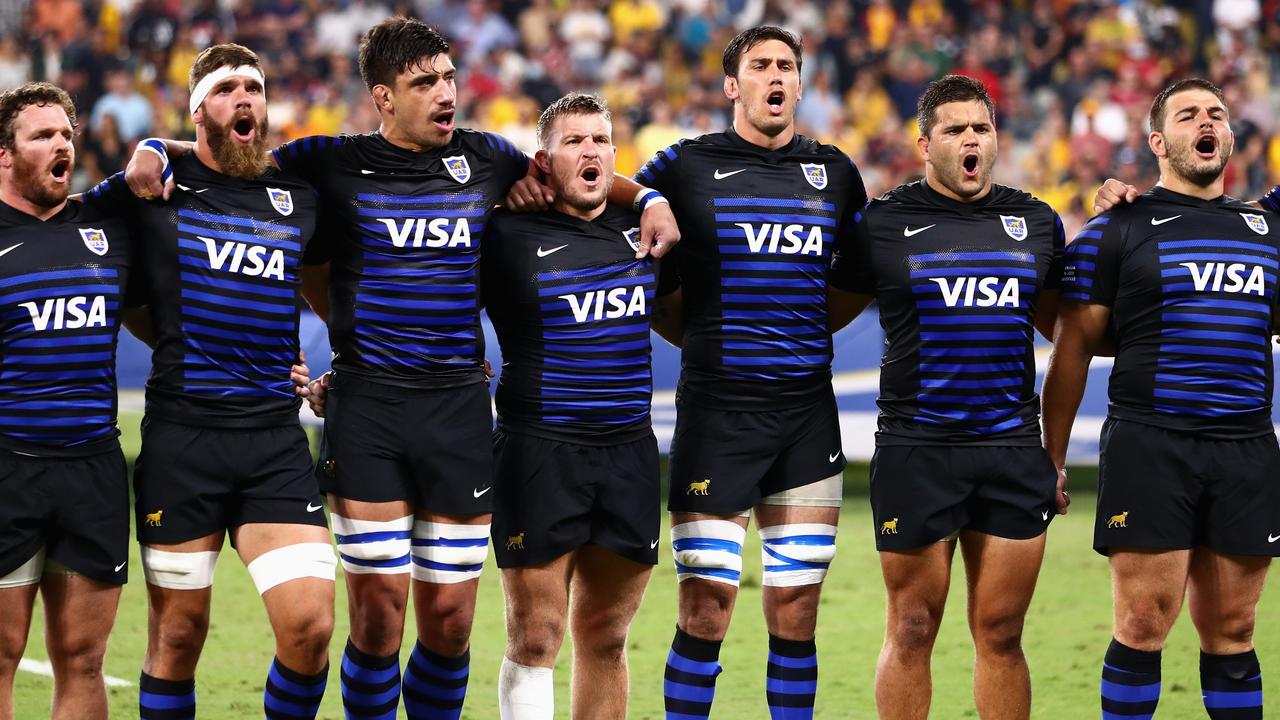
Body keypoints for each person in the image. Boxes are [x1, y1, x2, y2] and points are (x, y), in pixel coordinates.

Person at [126, 17, 679, 719]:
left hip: (456, 412)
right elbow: (233, 155)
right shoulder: (328, 161)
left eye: (449, 78)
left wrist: (651, 198)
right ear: (384, 96)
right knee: (380, 616)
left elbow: (577, 169)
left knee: (449, 622)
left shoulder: (487, 159)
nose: (446, 92)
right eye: (425, 83)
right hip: (369, 415)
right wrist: (154, 146)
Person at [83, 44, 336, 720]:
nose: (246, 97)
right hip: (181, 444)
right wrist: (146, 148)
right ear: (199, 112)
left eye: (255, 86)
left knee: (310, 630)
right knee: (176, 634)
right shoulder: (152, 189)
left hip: (274, 444)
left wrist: (349, 360)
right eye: (227, 88)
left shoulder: (300, 198)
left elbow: (338, 286)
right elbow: (62, 224)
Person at [633, 26, 866, 719]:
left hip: (805, 416)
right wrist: (698, 329)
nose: (775, 76)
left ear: (801, 83)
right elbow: (614, 211)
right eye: (760, 65)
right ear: (732, 85)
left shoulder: (836, 173)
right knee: (706, 603)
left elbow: (854, 282)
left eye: (787, 66)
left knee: (796, 605)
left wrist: (794, 334)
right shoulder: (682, 166)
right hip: (715, 412)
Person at [828, 75, 1066, 720]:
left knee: (1003, 634)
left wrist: (1055, 454)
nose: (970, 140)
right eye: (954, 130)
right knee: (910, 629)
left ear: (995, 140)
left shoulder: (1038, 222)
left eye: (981, 128)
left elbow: (1066, 334)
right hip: (917, 449)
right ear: (923, 145)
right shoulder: (881, 223)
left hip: (1013, 451)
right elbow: (822, 315)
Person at [1043, 78, 1277, 720]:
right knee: (1143, 623)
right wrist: (1052, 460)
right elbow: (1071, 354)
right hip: (1151, 444)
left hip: (1247, 449)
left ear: (1231, 137)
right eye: (1188, 114)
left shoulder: (1269, 228)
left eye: (1217, 114)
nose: (1206, 121)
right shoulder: (1114, 229)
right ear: (1158, 141)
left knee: (1234, 629)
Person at [482, 91, 676, 720]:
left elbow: (684, 313)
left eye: (600, 141)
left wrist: (649, 196)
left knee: (608, 636)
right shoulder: (504, 232)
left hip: (629, 454)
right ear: (544, 161)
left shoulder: (646, 232)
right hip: (539, 451)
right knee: (536, 635)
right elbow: (440, 302)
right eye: (574, 141)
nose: (589, 151)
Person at [0, 81, 138, 720]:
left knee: (83, 661)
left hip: (93, 471)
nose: (61, 144)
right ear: (5, 155)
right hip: (8, 469)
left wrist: (159, 151)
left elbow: (184, 160)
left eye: (66, 134)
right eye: (41, 135)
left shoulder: (105, 223)